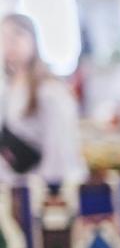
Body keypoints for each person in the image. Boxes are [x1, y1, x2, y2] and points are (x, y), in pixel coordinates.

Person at [0, 14, 86, 185]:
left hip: (51, 190)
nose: (10, 43)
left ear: (33, 39)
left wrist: (45, 190)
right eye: (4, 37)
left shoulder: (50, 90)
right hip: (17, 187)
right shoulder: (7, 90)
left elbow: (60, 152)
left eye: (17, 34)